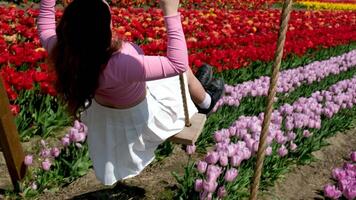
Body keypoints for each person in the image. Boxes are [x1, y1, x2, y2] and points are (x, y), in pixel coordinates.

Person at [37, 0, 224, 185]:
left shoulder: (63, 51)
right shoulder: (118, 64)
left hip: (110, 113)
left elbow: (45, 27)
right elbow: (177, 65)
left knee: (178, 77)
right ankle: (206, 102)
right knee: (184, 72)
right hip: (141, 119)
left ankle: (198, 88)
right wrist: (171, 13)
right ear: (103, 31)